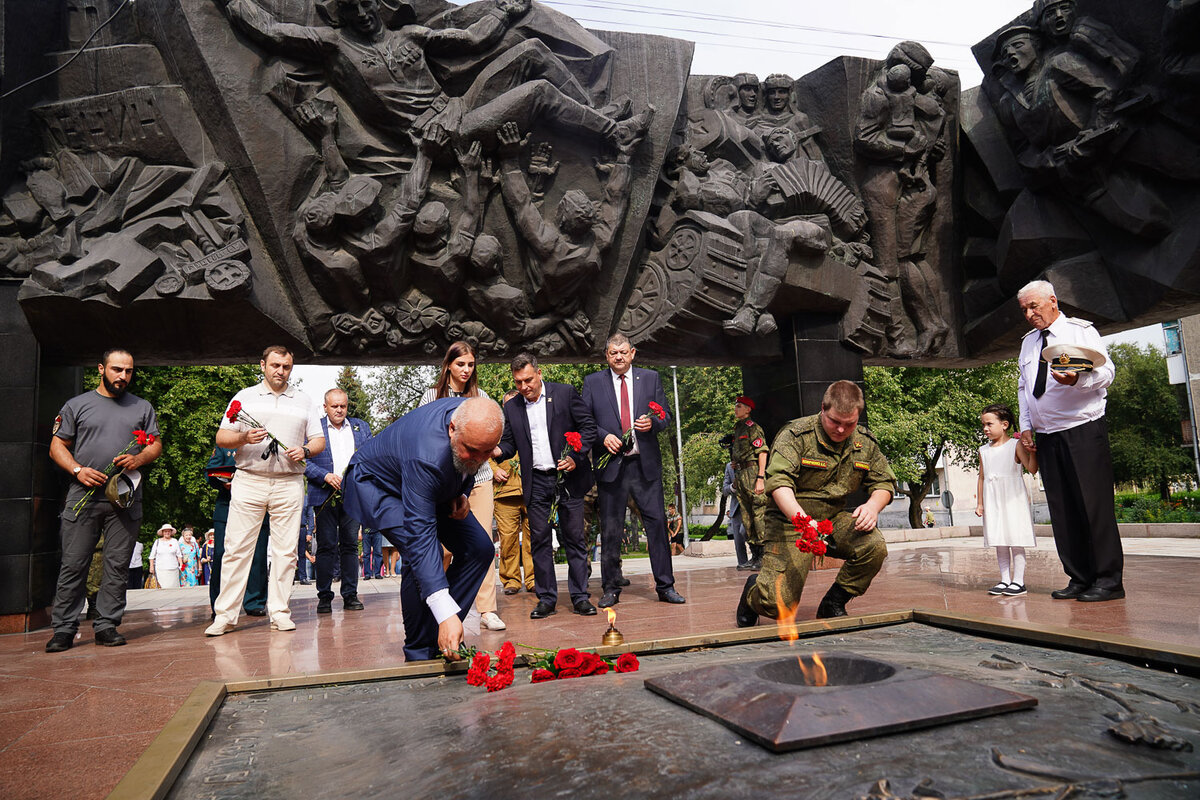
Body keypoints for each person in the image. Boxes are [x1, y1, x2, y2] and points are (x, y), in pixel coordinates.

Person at [343, 397, 504, 661]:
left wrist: (461, 492)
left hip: (426, 485)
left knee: (480, 549)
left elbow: (470, 461)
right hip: (379, 486)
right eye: (471, 450)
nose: (479, 459)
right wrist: (445, 611)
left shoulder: (477, 420)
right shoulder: (427, 454)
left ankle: (440, 634)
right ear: (452, 429)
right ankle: (420, 650)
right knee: (419, 550)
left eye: (487, 452)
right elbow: (420, 536)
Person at [736, 380, 895, 627]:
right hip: (790, 521)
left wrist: (873, 506)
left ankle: (834, 602)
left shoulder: (865, 442)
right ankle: (754, 593)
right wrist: (803, 521)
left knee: (873, 546)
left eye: (849, 423)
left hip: (832, 519)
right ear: (823, 408)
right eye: (835, 422)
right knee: (778, 607)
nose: (842, 430)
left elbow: (884, 483)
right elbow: (779, 484)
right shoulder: (796, 435)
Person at [45, 348, 162, 652]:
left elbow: (155, 445)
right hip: (82, 496)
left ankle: (107, 625)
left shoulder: (143, 407)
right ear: (101, 369)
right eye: (117, 369)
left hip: (124, 499)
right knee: (73, 564)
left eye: (128, 371)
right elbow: (57, 446)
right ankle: (64, 629)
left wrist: (139, 458)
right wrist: (77, 470)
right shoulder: (77, 405)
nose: (123, 376)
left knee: (117, 565)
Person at [205, 346, 326, 636]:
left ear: (291, 369)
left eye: (286, 366)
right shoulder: (244, 397)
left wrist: (306, 449)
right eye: (275, 365)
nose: (280, 371)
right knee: (236, 550)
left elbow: (319, 440)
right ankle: (225, 616)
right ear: (263, 365)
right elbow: (221, 437)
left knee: (286, 552)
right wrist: (244, 437)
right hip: (249, 478)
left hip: (289, 481)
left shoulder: (304, 400)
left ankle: (280, 612)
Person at [1016, 280, 1124, 602]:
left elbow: (1108, 374)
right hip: (1047, 435)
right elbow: (1025, 387)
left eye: (1034, 306)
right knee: (1062, 510)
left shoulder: (1080, 331)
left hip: (1082, 429)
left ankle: (1108, 581)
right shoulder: (1028, 343)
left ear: (1052, 301)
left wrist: (1078, 379)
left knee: (1094, 506)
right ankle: (1078, 577)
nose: (1029, 314)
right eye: (1024, 310)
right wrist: (1025, 426)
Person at [581, 334, 685, 608]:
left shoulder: (650, 378)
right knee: (611, 530)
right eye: (613, 353)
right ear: (606, 355)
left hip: (644, 467)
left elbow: (666, 416)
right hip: (611, 467)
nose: (618, 357)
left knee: (657, 527)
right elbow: (585, 422)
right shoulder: (593, 382)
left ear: (633, 353)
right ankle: (610, 588)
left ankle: (666, 586)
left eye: (623, 352)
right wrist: (603, 437)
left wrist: (654, 423)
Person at [496, 352, 598, 619]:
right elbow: (509, 444)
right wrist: (494, 451)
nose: (524, 387)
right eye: (518, 382)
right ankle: (546, 599)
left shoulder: (564, 394)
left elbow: (588, 428)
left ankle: (580, 597)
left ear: (539, 374)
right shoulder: (512, 407)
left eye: (528, 379)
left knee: (574, 538)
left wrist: (576, 458)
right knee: (539, 541)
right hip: (537, 481)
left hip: (568, 479)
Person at [419, 342, 506, 631]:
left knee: (481, 545)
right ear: (448, 366)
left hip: (478, 481)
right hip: (442, 485)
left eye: (470, 364)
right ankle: (438, 606)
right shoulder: (432, 396)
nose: (466, 370)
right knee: (442, 550)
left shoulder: (481, 396)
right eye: (460, 364)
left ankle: (487, 610)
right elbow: (425, 436)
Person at [304, 388, 373, 614]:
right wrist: (324, 476)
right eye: (334, 406)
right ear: (325, 407)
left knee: (351, 546)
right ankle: (324, 596)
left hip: (353, 495)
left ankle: (350, 595)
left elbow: (371, 457)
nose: (340, 410)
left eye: (343, 405)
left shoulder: (361, 427)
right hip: (324, 495)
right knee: (326, 546)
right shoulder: (315, 429)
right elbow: (302, 461)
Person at [976, 403, 1039, 597]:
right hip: (992, 497)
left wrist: (1034, 453)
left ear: (1004, 424)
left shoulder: (1015, 445)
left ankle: (1018, 581)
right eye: (983, 425)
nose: (985, 428)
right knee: (999, 539)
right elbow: (981, 476)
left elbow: (1031, 468)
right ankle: (1004, 579)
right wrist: (980, 503)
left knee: (1015, 538)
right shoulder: (983, 450)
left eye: (989, 424)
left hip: (1013, 497)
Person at [205, 445, 271, 615]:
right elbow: (210, 472)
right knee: (222, 555)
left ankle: (254, 602)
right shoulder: (224, 445)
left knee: (257, 556)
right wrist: (224, 481)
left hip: (258, 507)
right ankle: (220, 604)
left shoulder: (266, 445)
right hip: (228, 507)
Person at [492, 390, 535, 594]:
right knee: (507, 540)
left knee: (533, 538)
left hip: (532, 488)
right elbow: (483, 454)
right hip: (505, 492)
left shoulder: (533, 424)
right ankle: (511, 580)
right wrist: (494, 470)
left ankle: (534, 578)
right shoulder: (494, 430)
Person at [730, 395, 767, 570]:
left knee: (758, 514)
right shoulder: (738, 428)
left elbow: (762, 452)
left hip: (753, 473)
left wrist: (760, 478)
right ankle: (754, 555)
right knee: (746, 516)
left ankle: (764, 556)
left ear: (748, 409)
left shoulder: (754, 428)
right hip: (741, 473)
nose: (736, 409)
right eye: (736, 406)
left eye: (739, 406)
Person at [721, 459, 752, 570]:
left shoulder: (751, 462)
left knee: (744, 531)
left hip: (750, 507)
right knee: (738, 542)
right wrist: (733, 486)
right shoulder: (729, 466)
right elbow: (724, 490)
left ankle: (756, 558)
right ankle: (742, 564)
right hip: (736, 509)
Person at [150, 524, 183, 588]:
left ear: (171, 532)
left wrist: (181, 565)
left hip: (173, 569)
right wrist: (151, 566)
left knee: (174, 587)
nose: (167, 533)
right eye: (165, 531)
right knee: (162, 587)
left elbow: (179, 554)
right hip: (161, 569)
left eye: (168, 531)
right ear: (162, 533)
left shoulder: (174, 541)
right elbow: (152, 556)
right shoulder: (157, 542)